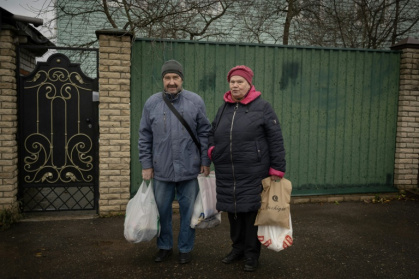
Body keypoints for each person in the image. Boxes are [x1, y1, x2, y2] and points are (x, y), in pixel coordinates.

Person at [208, 65, 286, 272]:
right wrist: (212, 151)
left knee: (251, 214)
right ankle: (237, 249)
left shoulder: (263, 107)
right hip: (227, 171)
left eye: (239, 81)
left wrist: (277, 169)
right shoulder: (223, 108)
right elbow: (211, 132)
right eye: (232, 81)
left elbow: (276, 139)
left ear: (249, 84)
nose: (235, 85)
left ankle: (252, 255)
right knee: (233, 213)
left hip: (253, 171)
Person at [138, 59, 211, 264]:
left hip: (190, 168)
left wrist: (205, 160)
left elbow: (205, 133)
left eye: (175, 78)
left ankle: (185, 248)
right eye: (167, 78)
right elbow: (144, 136)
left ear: (181, 79)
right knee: (162, 211)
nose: (171, 82)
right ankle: (164, 246)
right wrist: (146, 164)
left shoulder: (195, 101)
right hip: (162, 169)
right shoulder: (152, 103)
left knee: (189, 212)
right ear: (163, 80)